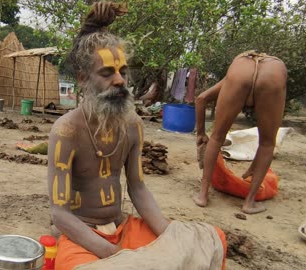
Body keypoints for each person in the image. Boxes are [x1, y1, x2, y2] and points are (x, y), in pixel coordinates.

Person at [47, 2, 226, 269]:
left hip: (124, 226)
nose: (119, 80)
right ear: (83, 79)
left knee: (211, 240)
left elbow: (138, 188)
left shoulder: (132, 125)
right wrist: (111, 253)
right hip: (82, 235)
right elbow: (60, 214)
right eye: (107, 73)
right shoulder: (66, 131)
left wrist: (170, 235)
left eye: (123, 71)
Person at [193, 50, 287, 214]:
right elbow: (266, 144)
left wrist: (200, 133)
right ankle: (249, 203)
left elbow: (201, 98)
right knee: (268, 143)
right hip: (274, 77)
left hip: (240, 74)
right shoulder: (274, 68)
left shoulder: (237, 70)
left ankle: (202, 196)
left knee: (216, 138)